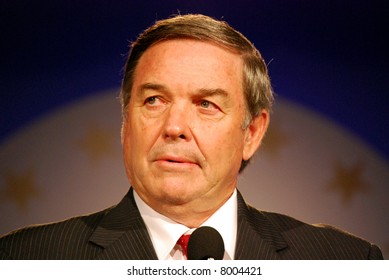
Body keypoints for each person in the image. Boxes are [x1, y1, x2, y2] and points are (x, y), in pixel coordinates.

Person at [0, 14, 383, 260]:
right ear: (125, 121)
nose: (174, 127)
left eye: (205, 104)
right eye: (154, 100)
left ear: (251, 132)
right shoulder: (26, 260)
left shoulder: (343, 262)